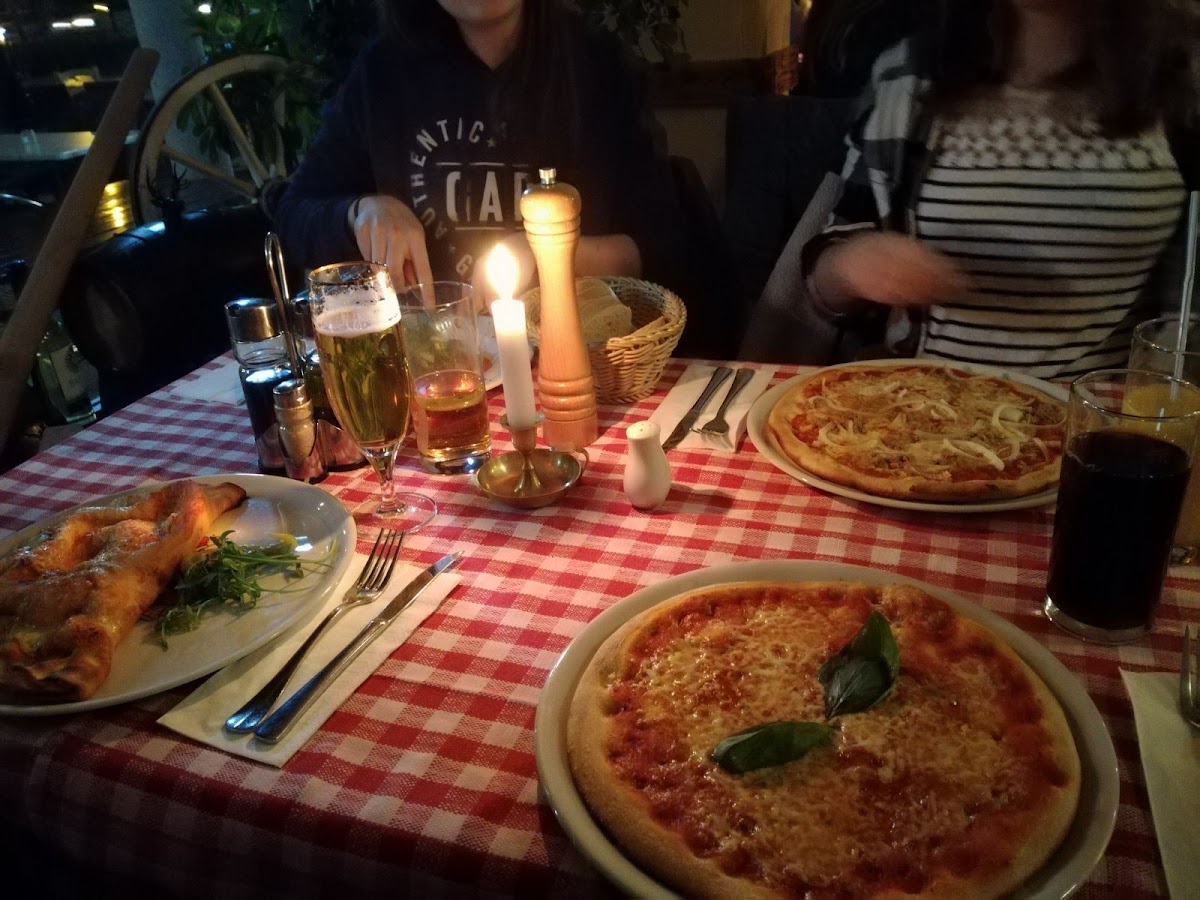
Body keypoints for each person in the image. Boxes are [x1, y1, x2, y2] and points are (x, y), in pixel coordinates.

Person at [756, 0, 1198, 378]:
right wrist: (852, 265)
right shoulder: (905, 73)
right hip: (914, 408)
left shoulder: (1185, 77)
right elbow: (827, 271)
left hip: (1102, 424)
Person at [274, 0, 685, 310]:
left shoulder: (596, 67)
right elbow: (295, 213)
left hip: (582, 361)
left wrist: (547, 254)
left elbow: (658, 248)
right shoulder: (382, 73)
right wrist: (363, 210)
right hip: (433, 364)